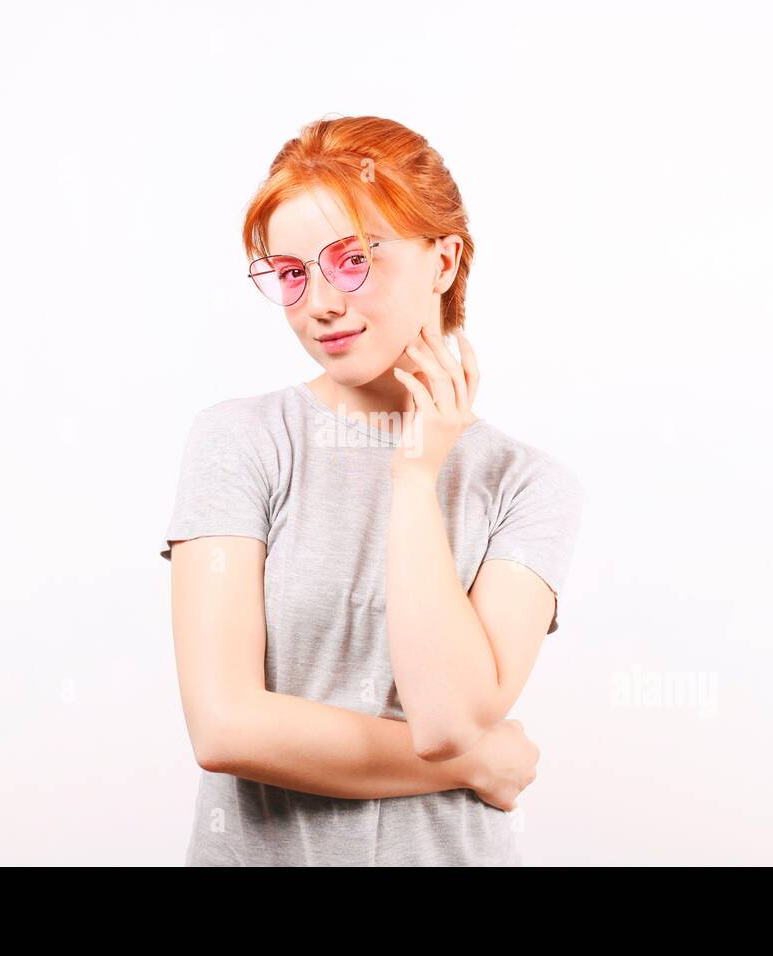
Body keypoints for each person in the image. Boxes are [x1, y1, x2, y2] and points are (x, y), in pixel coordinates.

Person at [159, 115, 585, 866]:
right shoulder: (242, 440)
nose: (319, 301)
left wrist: (417, 478)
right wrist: (475, 764)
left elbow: (448, 718)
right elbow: (225, 728)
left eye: (352, 260)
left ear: (444, 260)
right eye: (292, 273)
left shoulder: (528, 486)